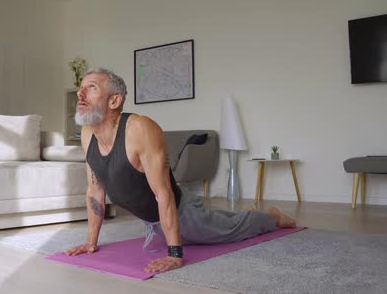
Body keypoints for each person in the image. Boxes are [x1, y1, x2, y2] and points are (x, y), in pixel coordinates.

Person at [65, 68, 296, 273]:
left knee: (233, 229)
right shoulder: (88, 134)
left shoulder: (140, 128)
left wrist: (174, 254)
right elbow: (95, 191)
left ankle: (272, 218)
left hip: (183, 215)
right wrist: (90, 242)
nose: (80, 93)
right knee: (218, 220)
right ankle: (250, 214)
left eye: (91, 87)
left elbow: (163, 193)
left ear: (114, 101)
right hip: (155, 222)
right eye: (81, 88)